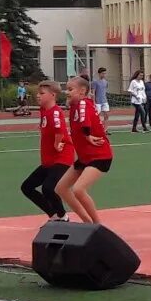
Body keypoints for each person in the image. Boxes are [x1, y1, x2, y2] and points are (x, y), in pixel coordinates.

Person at [56, 75, 114, 225]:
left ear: (82, 91)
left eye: (70, 89)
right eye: (66, 89)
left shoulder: (83, 103)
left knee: (78, 190)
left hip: (99, 156)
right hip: (85, 158)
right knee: (61, 188)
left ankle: (97, 225)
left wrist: (88, 135)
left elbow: (84, 122)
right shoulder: (76, 105)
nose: (66, 92)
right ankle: (87, 222)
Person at [20, 81, 71, 220]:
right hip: (49, 159)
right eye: (38, 93)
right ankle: (53, 215)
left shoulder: (55, 112)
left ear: (53, 95)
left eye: (42, 93)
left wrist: (56, 144)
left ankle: (63, 216)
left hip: (62, 157)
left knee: (48, 188)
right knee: (27, 187)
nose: (38, 95)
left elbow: (59, 131)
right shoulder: (43, 110)